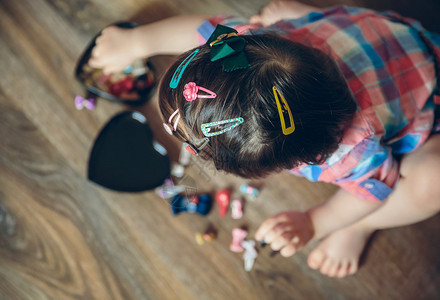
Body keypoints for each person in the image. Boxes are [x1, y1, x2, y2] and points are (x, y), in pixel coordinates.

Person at [88, 0, 440, 278]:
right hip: (372, 39)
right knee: (278, 13)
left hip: (429, 103)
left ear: (293, 161)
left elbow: (373, 187)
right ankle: (306, 16)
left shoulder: (351, 151)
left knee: (430, 183)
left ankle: (362, 228)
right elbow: (202, 29)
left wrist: (314, 222)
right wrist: (138, 41)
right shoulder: (257, 51)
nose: (168, 131)